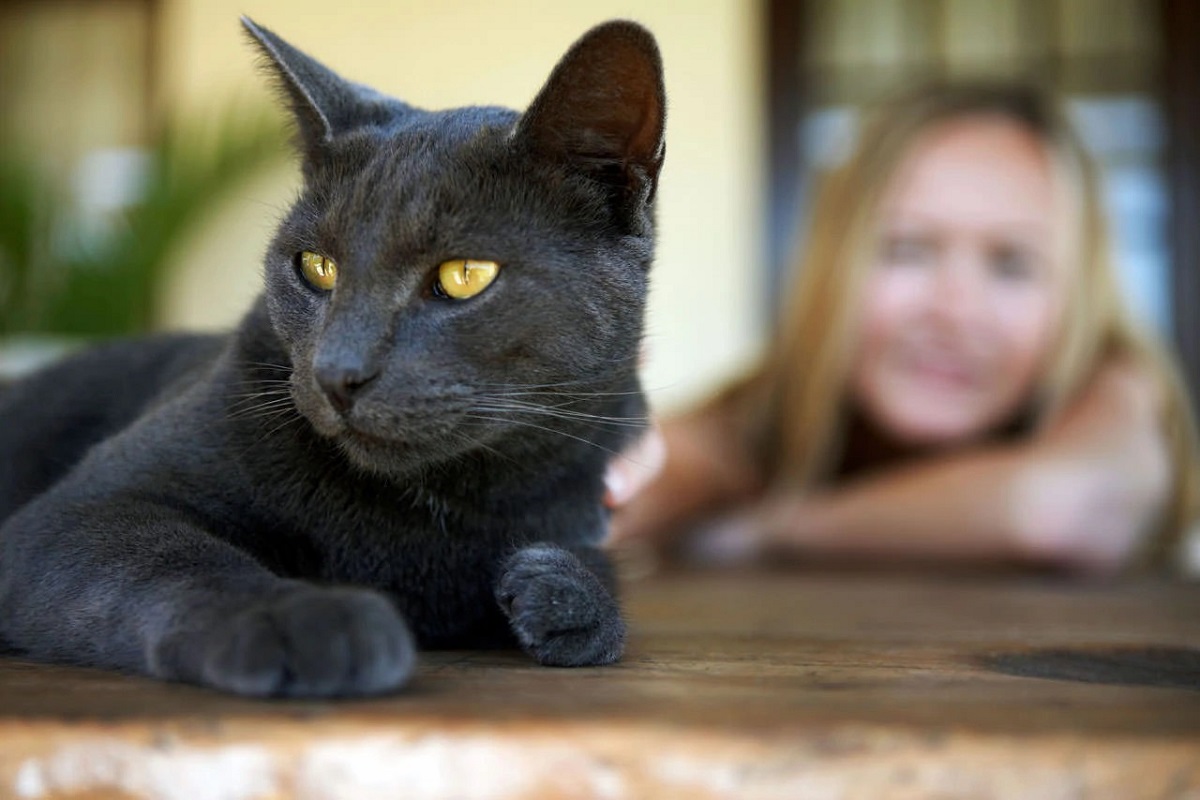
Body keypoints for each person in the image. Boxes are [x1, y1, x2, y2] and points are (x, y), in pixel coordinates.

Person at [607, 83, 1200, 575]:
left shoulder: (1114, 380)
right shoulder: (773, 410)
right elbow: (642, 474)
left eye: (1012, 264)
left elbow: (1061, 510)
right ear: (832, 269)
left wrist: (772, 530)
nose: (955, 310)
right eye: (907, 249)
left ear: (1078, 296)